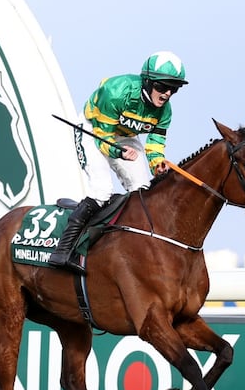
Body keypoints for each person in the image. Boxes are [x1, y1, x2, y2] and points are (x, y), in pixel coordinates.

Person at [49, 51, 188, 273]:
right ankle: (63, 251)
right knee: (102, 189)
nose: (168, 93)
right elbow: (103, 136)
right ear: (148, 81)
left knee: (142, 192)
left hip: (125, 136)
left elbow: (155, 143)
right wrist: (119, 152)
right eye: (162, 86)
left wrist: (157, 163)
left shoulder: (165, 110)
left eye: (175, 88)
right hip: (93, 129)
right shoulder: (115, 91)